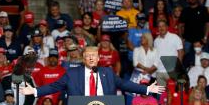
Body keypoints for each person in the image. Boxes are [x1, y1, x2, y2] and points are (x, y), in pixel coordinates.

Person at [20, 46, 164, 97]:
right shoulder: (72, 74)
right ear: (83, 59)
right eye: (88, 56)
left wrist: (146, 89)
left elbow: (125, 84)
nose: (90, 58)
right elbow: (53, 86)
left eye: (93, 56)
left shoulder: (107, 72)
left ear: (98, 58)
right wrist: (34, 91)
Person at [153, 20, 184, 86]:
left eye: (163, 26)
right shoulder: (156, 40)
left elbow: (180, 52)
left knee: (172, 93)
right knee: (161, 94)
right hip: (159, 71)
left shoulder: (175, 37)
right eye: (159, 26)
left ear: (167, 27)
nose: (161, 28)